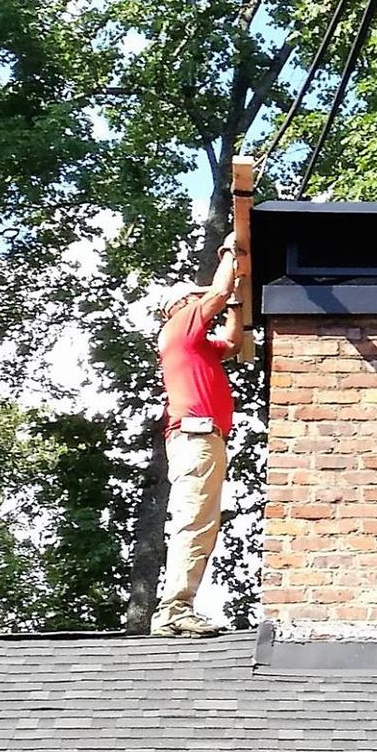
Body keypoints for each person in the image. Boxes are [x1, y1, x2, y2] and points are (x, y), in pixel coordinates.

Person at [150, 239, 242, 638]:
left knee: (202, 523)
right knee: (193, 521)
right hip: (196, 435)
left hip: (204, 438)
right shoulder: (179, 326)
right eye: (194, 299)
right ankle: (174, 610)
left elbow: (234, 343)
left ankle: (177, 606)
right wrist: (229, 254)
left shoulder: (198, 347)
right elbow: (219, 291)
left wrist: (237, 302)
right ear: (180, 305)